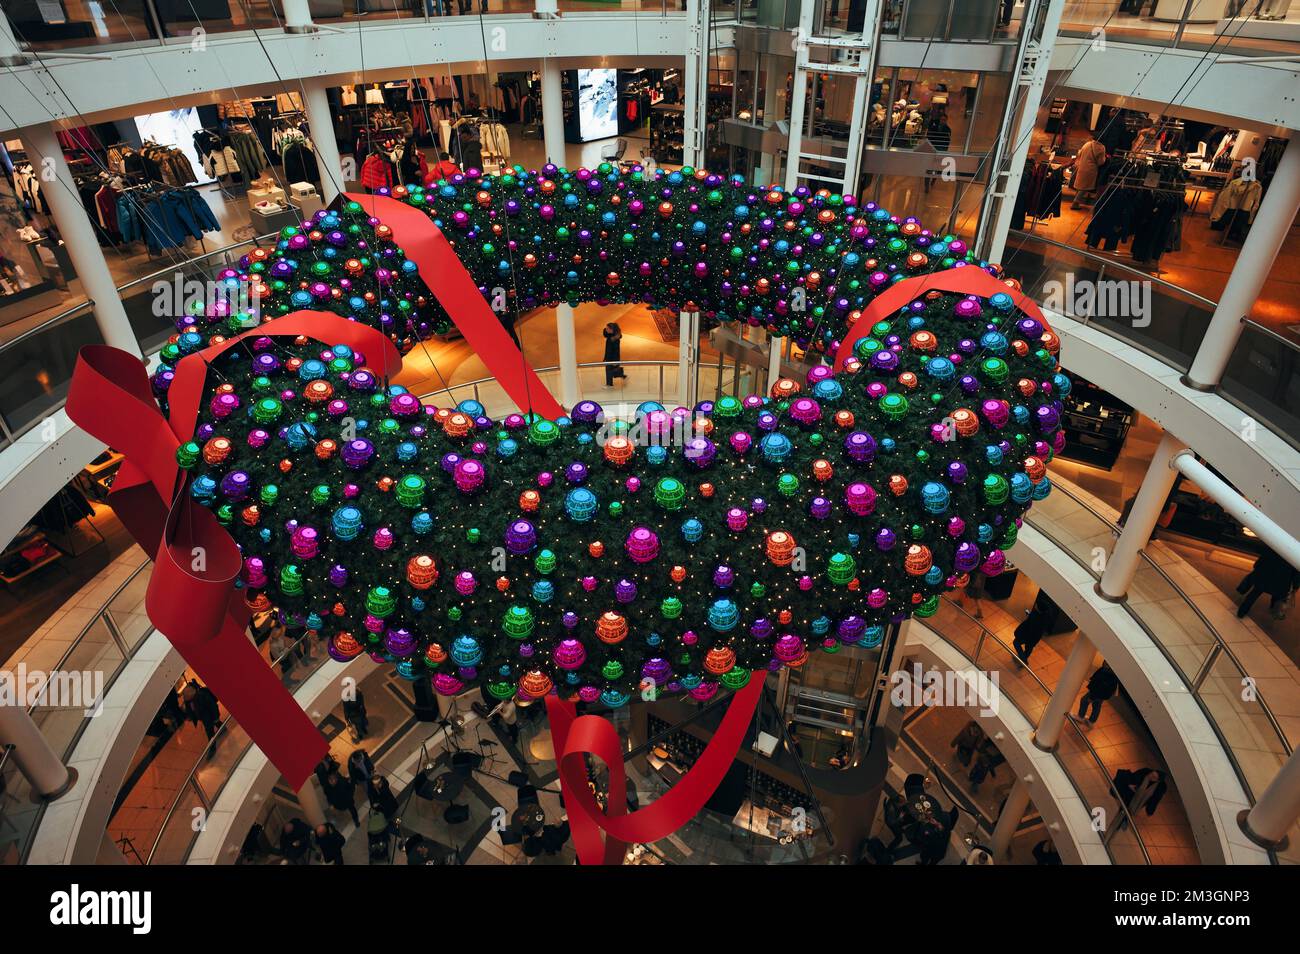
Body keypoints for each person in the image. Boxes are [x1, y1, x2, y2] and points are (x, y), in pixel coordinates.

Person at [1236, 545, 1298, 619]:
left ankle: (1242, 612)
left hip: (1266, 575)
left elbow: (1263, 557)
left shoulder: (1277, 544)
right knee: (1276, 596)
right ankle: (1273, 611)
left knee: (1254, 593)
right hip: (1282, 580)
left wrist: (1257, 567)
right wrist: (1296, 585)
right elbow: (1297, 572)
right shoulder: (1295, 553)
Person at [1073, 662, 1119, 726]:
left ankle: (1080, 716)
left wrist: (1092, 697)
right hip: (1102, 695)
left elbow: (1099, 686)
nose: (1104, 663)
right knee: (1097, 705)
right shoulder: (1110, 673)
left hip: (1096, 693)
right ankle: (1091, 721)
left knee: (1084, 700)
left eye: (1106, 662)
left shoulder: (1106, 673)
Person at [1070, 135, 1107, 209]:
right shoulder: (1101, 147)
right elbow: (1101, 162)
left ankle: (1076, 202)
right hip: (1091, 170)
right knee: (1084, 187)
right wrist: (1106, 158)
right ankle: (1075, 203)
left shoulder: (1087, 144)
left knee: (1080, 186)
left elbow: (1079, 154)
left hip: (1081, 166)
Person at [602, 321, 626, 387]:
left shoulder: (615, 340)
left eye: (607, 328)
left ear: (611, 330)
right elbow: (604, 334)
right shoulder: (610, 334)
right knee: (612, 370)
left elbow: (616, 351)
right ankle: (622, 375)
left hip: (611, 358)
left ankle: (609, 385)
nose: (605, 329)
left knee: (608, 371)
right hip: (608, 357)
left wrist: (615, 361)